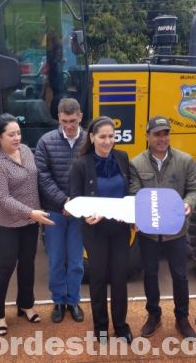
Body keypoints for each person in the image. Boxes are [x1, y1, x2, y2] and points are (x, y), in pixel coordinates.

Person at [129, 116, 196, 339]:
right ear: (148, 136)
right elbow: (134, 193)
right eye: (157, 134)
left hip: (175, 231)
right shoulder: (136, 163)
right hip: (148, 233)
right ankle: (154, 315)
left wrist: (188, 203)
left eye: (165, 134)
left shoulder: (185, 160)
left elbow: (195, 190)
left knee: (180, 276)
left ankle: (182, 318)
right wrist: (136, 215)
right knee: (150, 274)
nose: (162, 138)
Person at [0, 113, 54, 336]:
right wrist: (30, 213)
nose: (16, 138)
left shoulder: (25, 151)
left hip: (29, 221)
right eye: (11, 134)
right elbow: (2, 199)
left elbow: (34, 182)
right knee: (5, 266)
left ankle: (25, 305)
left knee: (27, 263)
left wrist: (36, 212)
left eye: (18, 133)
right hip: (2, 222)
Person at [69, 116, 133, 344]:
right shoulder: (81, 164)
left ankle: (121, 325)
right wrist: (87, 213)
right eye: (103, 136)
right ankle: (101, 328)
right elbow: (76, 198)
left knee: (119, 279)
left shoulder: (122, 158)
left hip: (120, 230)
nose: (108, 141)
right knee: (98, 279)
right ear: (92, 137)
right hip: (95, 231)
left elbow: (130, 193)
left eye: (111, 136)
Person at [35, 98, 86, 323]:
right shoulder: (46, 142)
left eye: (73, 121)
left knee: (75, 260)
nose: (69, 126)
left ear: (80, 117)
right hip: (54, 211)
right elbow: (43, 176)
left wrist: (76, 204)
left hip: (79, 212)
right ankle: (58, 300)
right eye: (64, 121)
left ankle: (73, 301)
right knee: (56, 259)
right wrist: (64, 201)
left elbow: (91, 175)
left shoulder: (89, 140)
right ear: (58, 117)